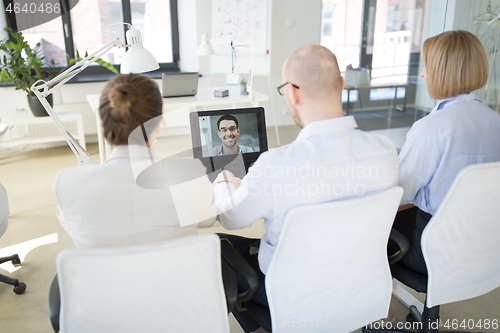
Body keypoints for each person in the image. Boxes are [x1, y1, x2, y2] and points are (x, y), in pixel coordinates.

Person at [212, 44, 399, 333]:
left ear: (292, 93)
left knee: (218, 245)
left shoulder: (275, 166)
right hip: (360, 285)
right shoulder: (385, 152)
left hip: (292, 297)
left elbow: (231, 218)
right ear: (342, 84)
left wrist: (224, 183)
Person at [53, 74, 216, 249]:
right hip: (175, 274)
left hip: (105, 276)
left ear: (103, 121)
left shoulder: (67, 183)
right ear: (159, 124)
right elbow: (208, 220)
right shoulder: (188, 172)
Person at [394, 30, 500, 275]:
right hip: (486, 245)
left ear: (442, 72)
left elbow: (399, 191)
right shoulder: (496, 122)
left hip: (433, 252)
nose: (422, 73)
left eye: (426, 66)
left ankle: (382, 307)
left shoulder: (433, 128)